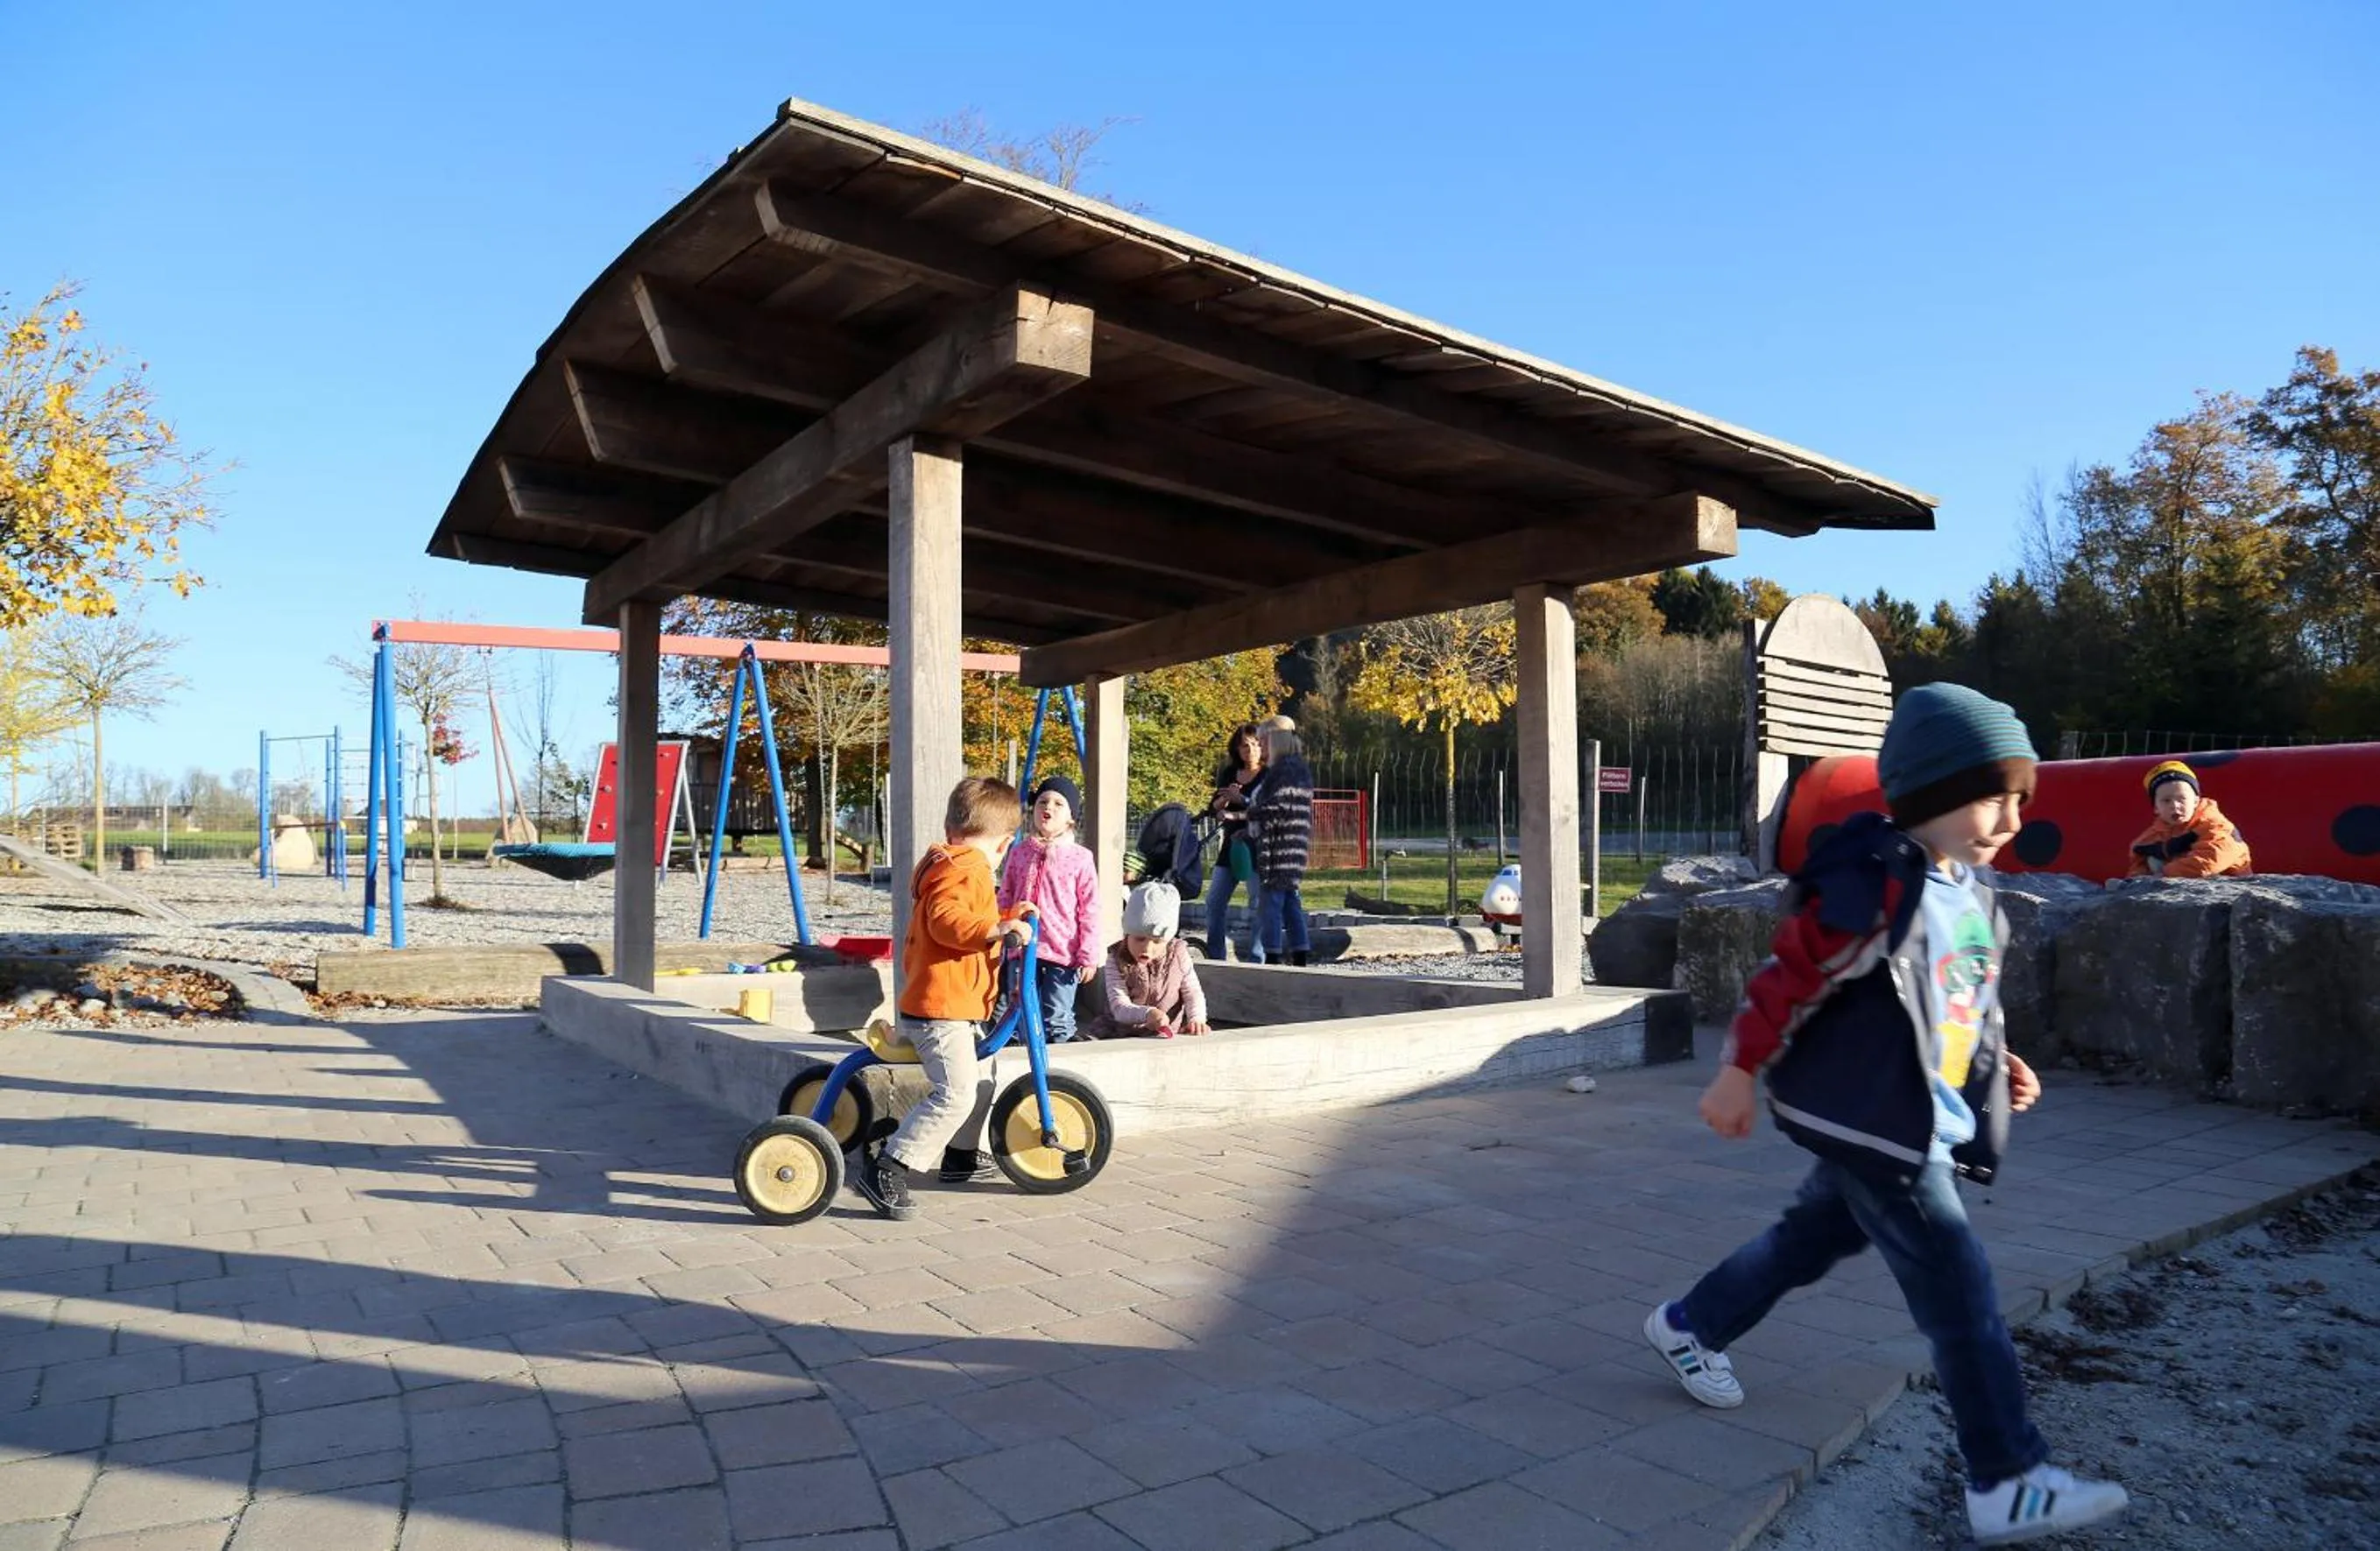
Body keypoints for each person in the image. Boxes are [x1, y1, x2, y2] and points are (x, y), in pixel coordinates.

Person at [1642, 684, 2128, 1547]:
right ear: (1928, 793)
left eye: (2022, 797)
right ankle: (2006, 1479)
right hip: (1882, 1130)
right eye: (1992, 795)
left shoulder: (1972, 896)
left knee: (1809, 1236)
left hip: (1907, 1117)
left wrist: (1993, 1064)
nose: (2010, 817)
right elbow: (1786, 977)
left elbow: (1958, 1004)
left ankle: (1691, 1323)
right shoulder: (1869, 886)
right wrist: (1737, 1069)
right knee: (1960, 1298)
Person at [856, 776, 1032, 1221]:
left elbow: (967, 915)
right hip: (942, 1011)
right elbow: (947, 921)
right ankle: (888, 1168)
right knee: (956, 1094)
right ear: (1004, 843)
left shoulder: (955, 863)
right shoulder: (967, 867)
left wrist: (1008, 916)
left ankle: (961, 1157)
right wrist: (996, 929)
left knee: (982, 1078)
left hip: (954, 1006)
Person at [998, 775, 1100, 1042]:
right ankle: (1023, 1064)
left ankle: (1059, 1071)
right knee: (1018, 1009)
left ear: (1071, 818)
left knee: (1057, 1015)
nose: (1049, 807)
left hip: (1062, 951)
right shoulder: (1019, 852)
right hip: (1021, 946)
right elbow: (1006, 895)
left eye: (1058, 803)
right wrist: (1000, 931)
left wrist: (1087, 954)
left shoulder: (1080, 858)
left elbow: (1089, 909)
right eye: (1043, 801)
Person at [1082, 880, 1212, 1040]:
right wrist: (1148, 1013)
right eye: (1139, 939)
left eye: (1157, 941)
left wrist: (1196, 1019)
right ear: (1127, 934)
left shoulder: (1178, 954)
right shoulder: (1116, 958)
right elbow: (1119, 1005)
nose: (1147, 948)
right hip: (1118, 1034)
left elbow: (1192, 992)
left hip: (1162, 1035)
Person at [1246, 720, 1315, 967]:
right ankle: (1299, 954)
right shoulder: (1291, 767)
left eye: (1264, 741)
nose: (1261, 747)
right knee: (1289, 902)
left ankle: (1273, 956)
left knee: (1272, 905)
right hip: (1290, 845)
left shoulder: (1286, 769)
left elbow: (1279, 806)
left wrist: (1246, 814)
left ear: (1276, 740)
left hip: (1282, 848)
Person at [1202, 723, 1266, 962]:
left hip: (1258, 848)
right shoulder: (1229, 773)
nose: (1250, 750)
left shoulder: (1269, 775)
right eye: (1244, 746)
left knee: (1258, 903)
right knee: (1214, 902)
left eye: (1255, 745)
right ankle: (1216, 955)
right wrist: (1221, 805)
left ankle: (1257, 958)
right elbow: (1214, 806)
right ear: (1237, 749)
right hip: (1231, 847)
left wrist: (1243, 798)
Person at [2127, 760, 2251, 878]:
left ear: (2196, 801)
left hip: (2231, 891)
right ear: (2156, 808)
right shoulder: (2149, 839)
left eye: (2182, 799)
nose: (2175, 805)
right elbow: (2137, 868)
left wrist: (2163, 875)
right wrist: (2137, 880)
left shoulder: (2216, 825)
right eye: (2166, 801)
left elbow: (2210, 859)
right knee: (2152, 860)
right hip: (2176, 891)